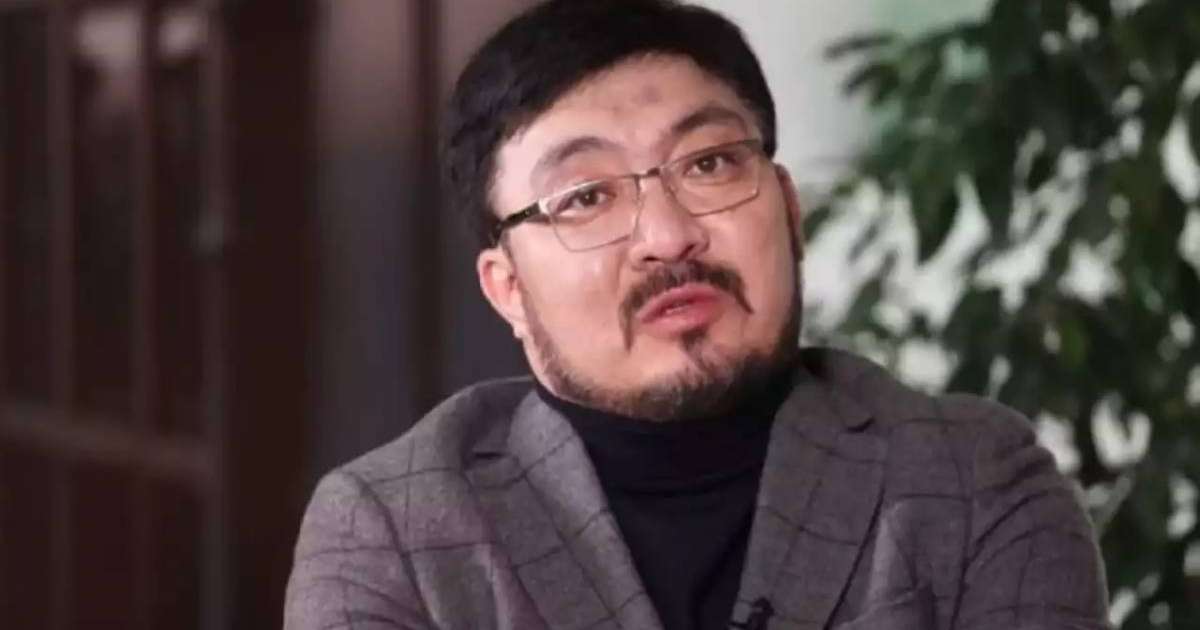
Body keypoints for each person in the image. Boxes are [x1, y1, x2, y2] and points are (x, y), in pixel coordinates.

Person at [284, 1, 1110, 629]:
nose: (668, 237)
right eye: (586, 197)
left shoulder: (972, 481)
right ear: (507, 289)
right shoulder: (392, 530)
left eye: (710, 163)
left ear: (789, 211)